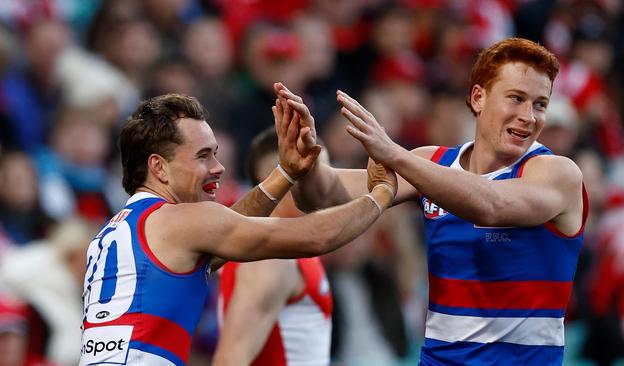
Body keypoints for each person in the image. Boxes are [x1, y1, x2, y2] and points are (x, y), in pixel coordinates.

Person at [275, 37, 588, 365]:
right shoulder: (431, 163)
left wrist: (393, 153)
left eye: (540, 104)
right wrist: (304, 166)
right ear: (478, 98)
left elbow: (492, 206)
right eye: (516, 98)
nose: (529, 116)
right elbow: (325, 195)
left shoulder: (558, 173)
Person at [79, 93, 396, 365]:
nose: (219, 167)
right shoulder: (182, 221)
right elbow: (316, 236)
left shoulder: (116, 231)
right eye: (204, 156)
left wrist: (284, 173)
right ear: (158, 167)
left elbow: (224, 226)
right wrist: (381, 192)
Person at [213, 127, 332, 366]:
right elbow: (230, 360)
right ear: (285, 181)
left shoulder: (292, 248)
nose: (329, 186)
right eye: (318, 174)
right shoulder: (271, 259)